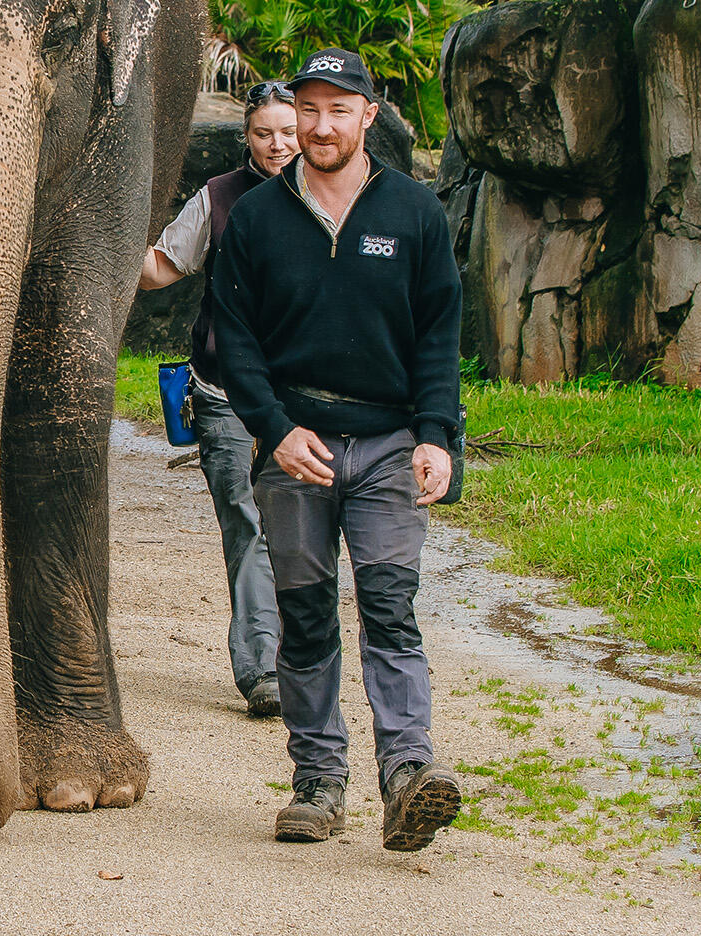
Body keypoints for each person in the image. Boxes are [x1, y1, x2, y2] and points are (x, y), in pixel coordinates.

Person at [208, 46, 463, 853]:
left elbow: (438, 336)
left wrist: (435, 436)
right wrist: (276, 431)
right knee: (308, 618)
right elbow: (234, 343)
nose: (320, 126)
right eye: (309, 110)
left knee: (391, 608)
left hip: (388, 444)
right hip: (296, 451)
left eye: (338, 110)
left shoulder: (414, 212)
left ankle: (407, 774)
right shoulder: (254, 218)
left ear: (369, 114)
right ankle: (318, 782)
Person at [139, 82, 299, 719]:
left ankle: (304, 656)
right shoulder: (219, 198)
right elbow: (161, 268)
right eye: (265, 133)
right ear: (248, 137)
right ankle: (263, 668)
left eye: (287, 131)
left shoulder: (334, 193)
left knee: (303, 525)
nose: (279, 144)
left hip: (303, 399)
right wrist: (106, 243)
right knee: (248, 521)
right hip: (223, 390)